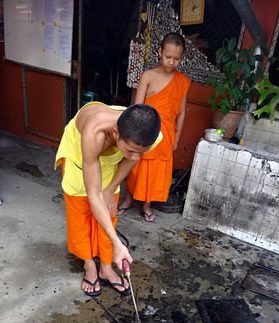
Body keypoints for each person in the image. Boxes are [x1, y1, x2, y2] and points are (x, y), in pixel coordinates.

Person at [55, 102, 162, 296]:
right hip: (81, 159)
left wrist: (111, 188)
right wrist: (117, 242)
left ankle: (106, 267)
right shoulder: (94, 133)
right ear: (115, 132)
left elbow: (131, 158)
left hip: (108, 160)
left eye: (141, 152)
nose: (135, 157)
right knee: (80, 213)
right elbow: (93, 193)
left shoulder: (149, 135)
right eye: (130, 150)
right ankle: (89, 265)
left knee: (108, 213)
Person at [117, 33, 191, 222]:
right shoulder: (148, 76)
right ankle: (128, 199)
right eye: (168, 57)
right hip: (145, 130)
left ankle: (147, 204)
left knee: (156, 171)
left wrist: (176, 138)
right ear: (160, 52)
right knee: (136, 166)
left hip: (166, 134)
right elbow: (136, 107)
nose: (171, 62)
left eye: (176, 59)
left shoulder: (183, 82)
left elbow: (181, 113)